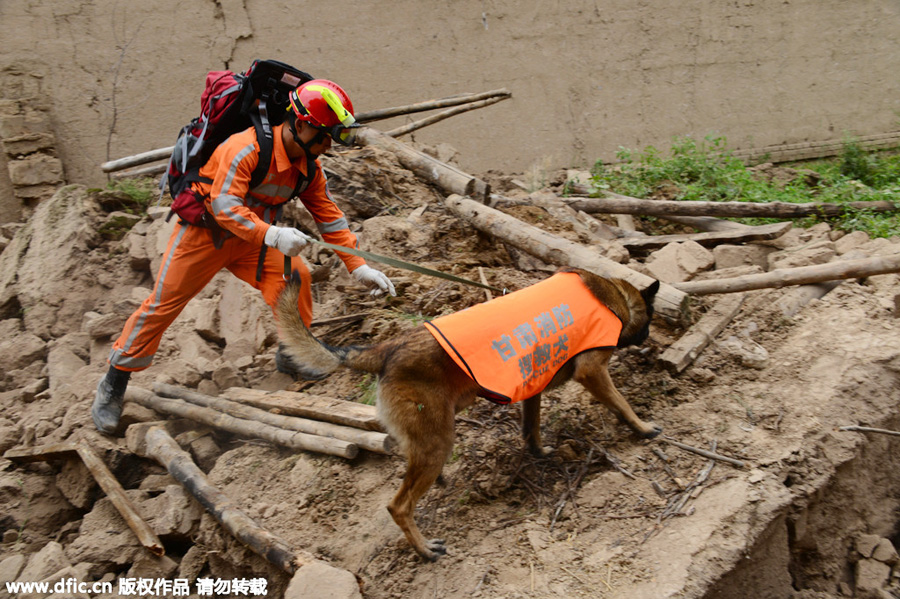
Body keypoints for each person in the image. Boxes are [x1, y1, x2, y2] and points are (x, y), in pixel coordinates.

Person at [92, 79, 395, 434]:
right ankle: (115, 381)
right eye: (324, 135)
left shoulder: (309, 167)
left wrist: (358, 267)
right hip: (206, 237)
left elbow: (329, 215)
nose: (327, 146)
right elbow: (225, 207)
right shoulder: (244, 148)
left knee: (294, 275)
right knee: (163, 306)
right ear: (300, 124)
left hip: (254, 241)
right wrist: (273, 234)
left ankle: (293, 352)